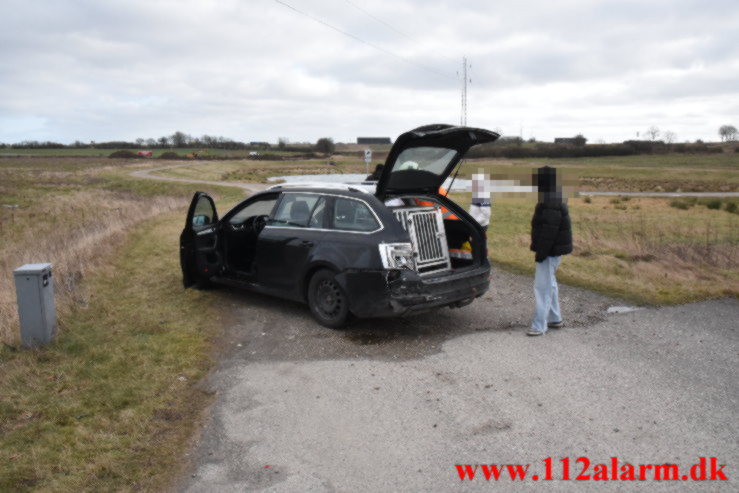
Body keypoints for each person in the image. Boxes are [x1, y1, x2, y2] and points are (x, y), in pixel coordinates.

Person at [528, 166, 572, 336]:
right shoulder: (553, 195)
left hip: (549, 251)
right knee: (550, 284)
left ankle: (539, 326)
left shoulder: (550, 200)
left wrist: (541, 252)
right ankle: (555, 318)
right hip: (553, 250)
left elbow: (549, 231)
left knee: (542, 287)